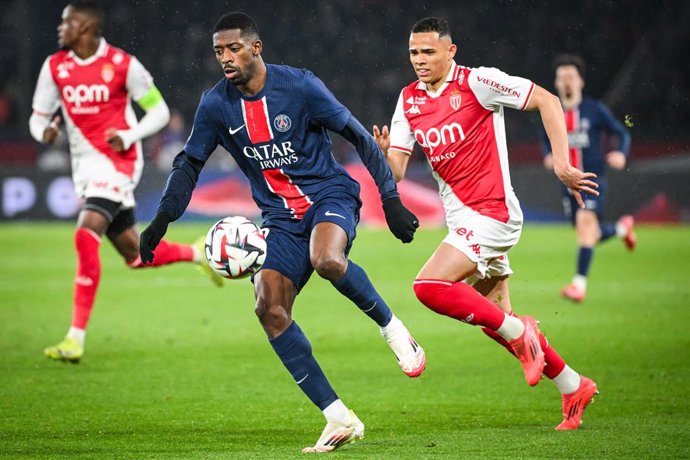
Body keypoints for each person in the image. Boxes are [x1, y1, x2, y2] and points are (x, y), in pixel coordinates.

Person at [139, 12, 426, 453]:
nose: (225, 59)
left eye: (233, 48)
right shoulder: (216, 104)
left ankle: (392, 328)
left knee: (327, 259)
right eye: (218, 51)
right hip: (278, 218)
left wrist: (389, 199)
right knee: (268, 305)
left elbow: (358, 136)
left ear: (256, 47)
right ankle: (337, 417)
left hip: (329, 195)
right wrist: (162, 219)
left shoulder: (300, 86)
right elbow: (189, 163)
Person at [373, 17, 600, 431]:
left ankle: (522, 331)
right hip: (462, 221)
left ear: (450, 50)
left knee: (429, 287)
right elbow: (398, 171)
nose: (420, 61)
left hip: (494, 213)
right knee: (493, 320)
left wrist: (564, 165)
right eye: (413, 53)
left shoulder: (478, 82)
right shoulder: (408, 100)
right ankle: (573, 383)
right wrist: (383, 155)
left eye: (428, 52)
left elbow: (548, 101)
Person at [29, 1, 222, 363]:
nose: (60, 28)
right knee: (133, 254)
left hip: (118, 164)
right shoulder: (55, 67)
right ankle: (199, 254)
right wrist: (46, 130)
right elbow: (37, 117)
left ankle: (75, 338)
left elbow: (160, 111)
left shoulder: (121, 65)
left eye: (67, 22)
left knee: (85, 234)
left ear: (86, 28)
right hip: (85, 169)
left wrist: (131, 133)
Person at [542, 54, 634, 303]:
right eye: (562, 78)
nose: (567, 82)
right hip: (567, 185)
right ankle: (622, 228)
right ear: (557, 83)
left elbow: (621, 132)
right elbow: (544, 139)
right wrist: (548, 155)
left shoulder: (594, 110)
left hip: (592, 180)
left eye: (571, 77)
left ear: (580, 81)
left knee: (585, 227)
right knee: (588, 233)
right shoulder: (552, 110)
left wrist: (620, 153)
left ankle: (578, 285)